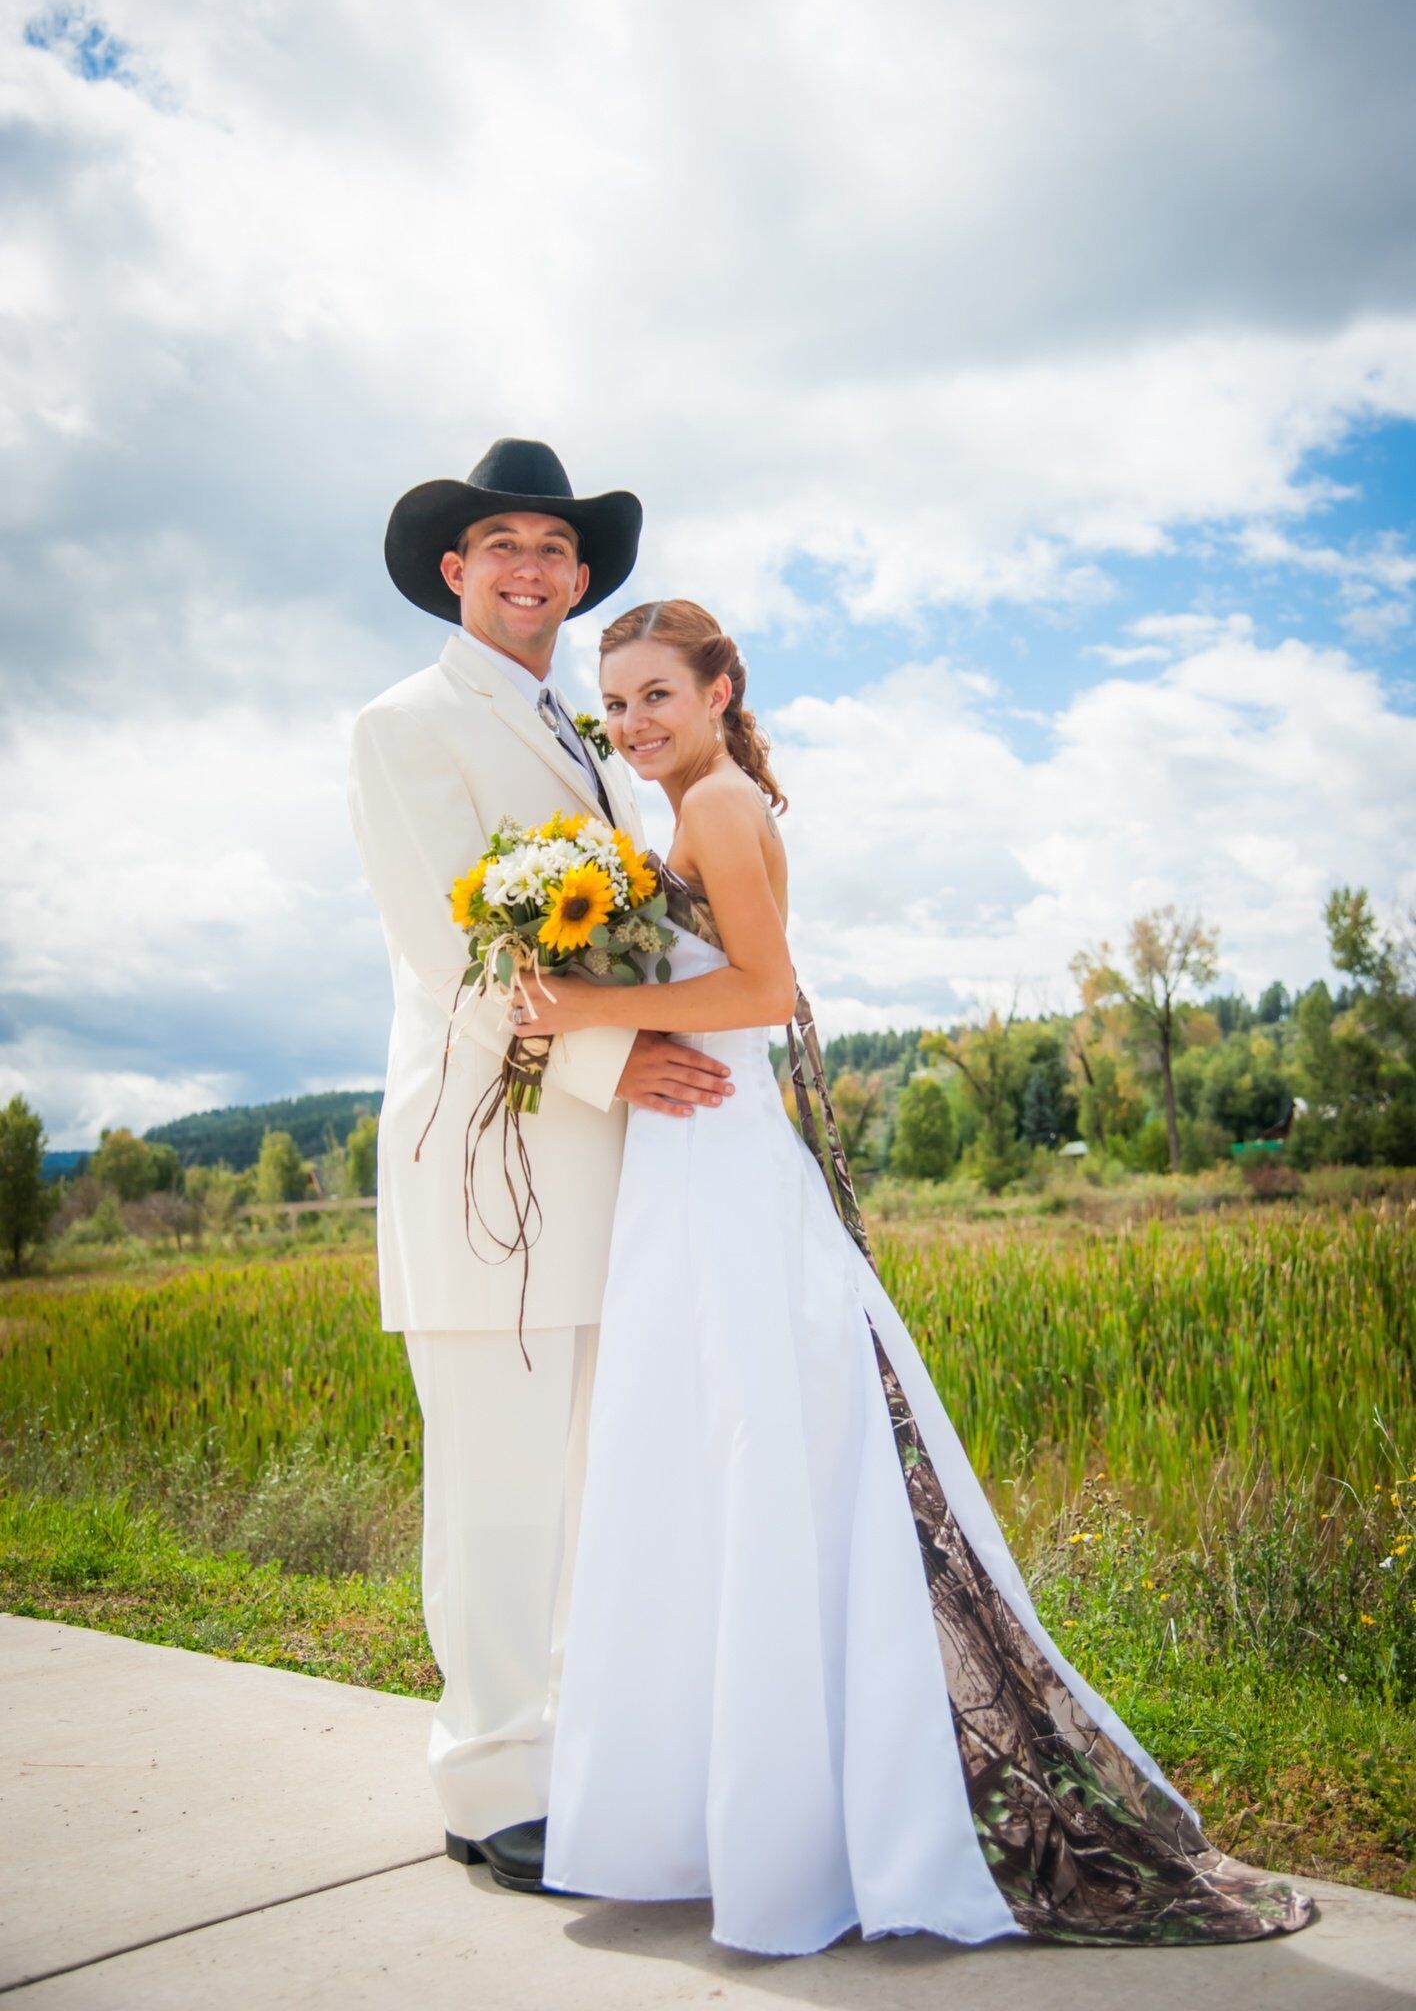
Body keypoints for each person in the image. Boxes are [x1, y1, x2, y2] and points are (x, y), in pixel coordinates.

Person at [510, 598, 1319, 1956]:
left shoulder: (713, 808)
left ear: (719, 692)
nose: (634, 724)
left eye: (658, 694)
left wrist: (588, 1006)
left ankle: (806, 1825)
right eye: (617, 703)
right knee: (708, 1462)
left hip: (722, 1164)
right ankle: (737, 1810)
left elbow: (768, 990)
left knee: (759, 1455)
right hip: (687, 1161)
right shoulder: (693, 805)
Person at [346, 443, 735, 1894]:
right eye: (500, 543)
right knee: (499, 1490)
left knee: (586, 1486)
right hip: (486, 1166)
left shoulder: (586, 735)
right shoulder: (406, 725)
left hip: (609, 1172)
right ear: (456, 571)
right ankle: (492, 1781)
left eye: (554, 548)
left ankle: (585, 1758)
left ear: (580, 578)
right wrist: (610, 1064)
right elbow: (448, 957)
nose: (529, 568)